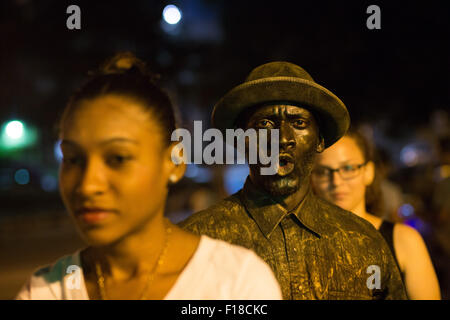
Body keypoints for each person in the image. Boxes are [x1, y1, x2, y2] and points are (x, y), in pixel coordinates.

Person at [15, 52, 282, 300]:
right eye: (73, 159)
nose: (87, 185)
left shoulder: (236, 283)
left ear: (175, 162)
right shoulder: (45, 291)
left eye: (117, 158)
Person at [180, 61, 407, 299]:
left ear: (320, 141)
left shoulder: (364, 241)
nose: (283, 138)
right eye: (265, 124)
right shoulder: (197, 243)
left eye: (299, 123)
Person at [311, 128, 441, 300]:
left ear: (368, 172)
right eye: (323, 172)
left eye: (348, 168)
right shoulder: (298, 242)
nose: (337, 181)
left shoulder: (403, 240)